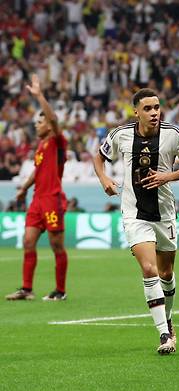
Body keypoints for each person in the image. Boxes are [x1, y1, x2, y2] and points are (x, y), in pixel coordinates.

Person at [93, 88, 179, 355]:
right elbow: (99, 157)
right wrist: (104, 179)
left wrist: (167, 177)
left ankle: (169, 319)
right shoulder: (120, 134)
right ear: (136, 111)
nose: (154, 113)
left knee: (166, 273)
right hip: (134, 212)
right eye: (148, 108)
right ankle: (164, 334)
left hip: (164, 212)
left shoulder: (174, 133)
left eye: (157, 107)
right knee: (149, 269)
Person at [6, 75, 70, 302]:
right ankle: (26, 289)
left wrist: (39, 95)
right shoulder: (41, 146)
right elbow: (37, 171)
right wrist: (24, 188)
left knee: (56, 245)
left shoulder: (57, 141)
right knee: (28, 241)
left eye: (40, 122)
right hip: (37, 200)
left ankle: (60, 291)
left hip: (52, 198)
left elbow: (52, 118)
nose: (36, 124)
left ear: (49, 126)